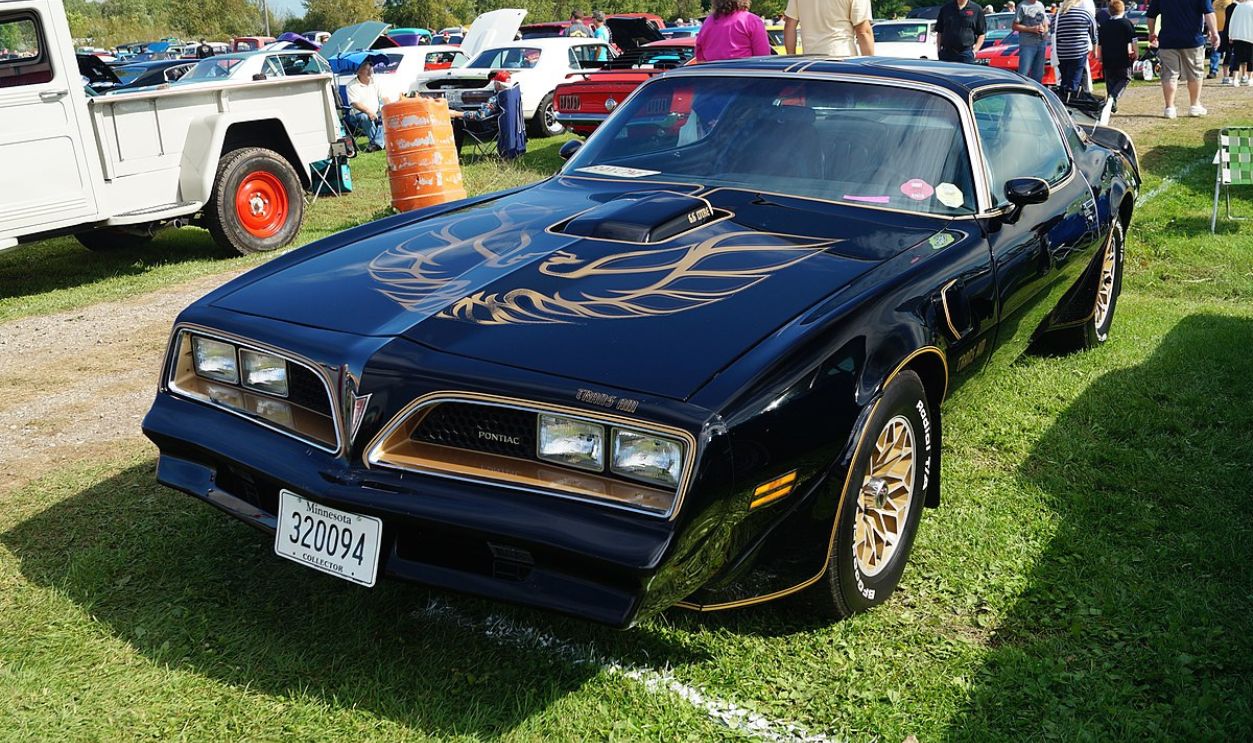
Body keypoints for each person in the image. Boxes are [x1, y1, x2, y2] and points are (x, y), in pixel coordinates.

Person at [1147, 0, 1220, 117]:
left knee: (1169, 74)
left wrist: (1152, 33)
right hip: (1192, 40)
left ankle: (1169, 108)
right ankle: (1194, 106)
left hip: (1168, 40)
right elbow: (1209, 13)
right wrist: (1214, 33)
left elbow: (1151, 16)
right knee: (1195, 73)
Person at [783, 0, 874, 56]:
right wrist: (871, 66)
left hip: (809, 62)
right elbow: (863, 31)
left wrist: (791, 57)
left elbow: (789, 25)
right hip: (842, 58)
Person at [696, 0, 773, 60]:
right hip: (743, 76)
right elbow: (763, 58)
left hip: (712, 77)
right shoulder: (751, 21)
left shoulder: (707, 23)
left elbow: (700, 58)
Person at [1052, 0, 1098, 96]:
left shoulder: (1057, 15)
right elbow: (1094, 34)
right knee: (1074, 80)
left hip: (1061, 53)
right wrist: (1095, 49)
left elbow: (1053, 33)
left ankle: (1063, 98)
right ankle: (1072, 99)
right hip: (1078, 52)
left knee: (1065, 78)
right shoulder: (1085, 14)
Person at [1098, 0, 1138, 108]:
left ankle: (1111, 103)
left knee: (1110, 81)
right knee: (1125, 78)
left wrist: (1099, 56)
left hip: (1107, 58)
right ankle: (1113, 97)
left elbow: (1100, 44)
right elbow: (1133, 41)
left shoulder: (1104, 25)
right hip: (1122, 58)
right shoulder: (1126, 23)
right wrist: (1136, 53)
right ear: (1123, 10)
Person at [345, 59, 386, 152]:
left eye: (370, 68)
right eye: (366, 68)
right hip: (358, 115)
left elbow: (384, 97)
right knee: (365, 117)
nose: (370, 70)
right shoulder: (351, 85)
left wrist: (389, 108)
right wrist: (369, 111)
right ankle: (380, 142)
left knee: (385, 115)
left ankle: (376, 144)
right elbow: (355, 103)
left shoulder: (376, 82)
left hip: (376, 112)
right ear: (358, 72)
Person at [1015, 0, 1051, 79]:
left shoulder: (1040, 4)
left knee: (1038, 74)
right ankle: (1022, 90)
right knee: (1024, 73)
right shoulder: (1022, 6)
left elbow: (1045, 23)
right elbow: (1015, 26)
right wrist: (1032, 29)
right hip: (1027, 44)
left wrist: (1045, 31)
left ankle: (1036, 90)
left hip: (1041, 43)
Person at [1230, 0, 1253, 83]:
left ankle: (1235, 78)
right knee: (1250, 58)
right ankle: (1250, 78)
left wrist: (1231, 35)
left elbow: (1232, 21)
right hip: (1250, 36)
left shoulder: (1238, 6)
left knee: (1237, 58)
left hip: (1237, 35)